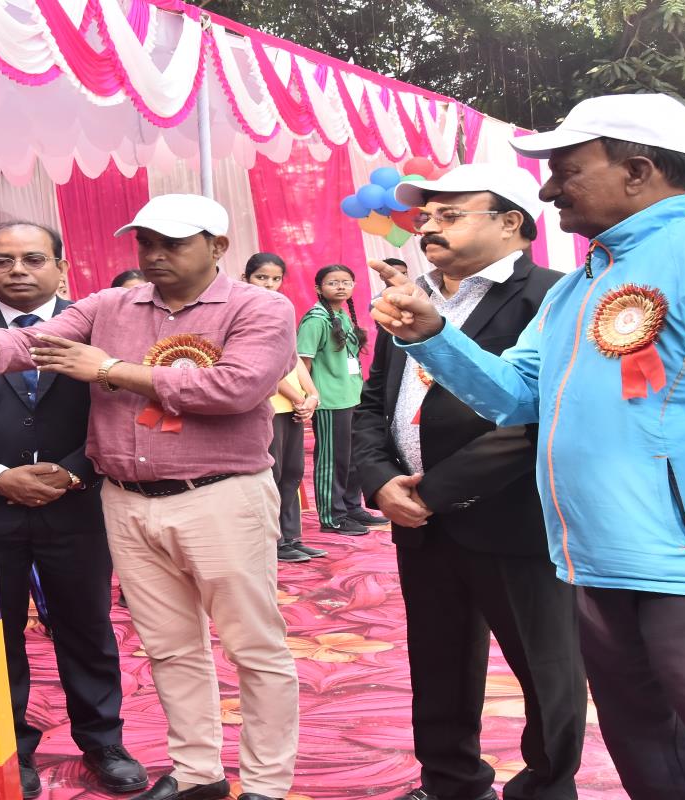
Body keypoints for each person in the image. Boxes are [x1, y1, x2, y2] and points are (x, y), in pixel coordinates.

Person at [371, 93, 685, 800]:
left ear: (638, 170)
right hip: (599, 573)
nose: (548, 190)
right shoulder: (580, 287)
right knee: (657, 769)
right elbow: (515, 395)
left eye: (567, 170)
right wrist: (433, 337)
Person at [0, 194, 300, 800]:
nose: (156, 254)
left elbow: (236, 388)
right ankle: (197, 775)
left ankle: (266, 784)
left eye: (174, 243)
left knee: (253, 647)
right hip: (126, 500)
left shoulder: (260, 306)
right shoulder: (110, 305)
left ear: (217, 246)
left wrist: (110, 369)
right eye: (146, 242)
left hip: (221, 496)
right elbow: (23, 347)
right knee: (169, 648)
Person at [352, 164, 586, 800]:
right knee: (438, 660)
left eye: (450, 214)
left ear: (511, 222)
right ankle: (451, 781)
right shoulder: (410, 296)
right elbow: (375, 402)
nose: (429, 226)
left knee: (546, 668)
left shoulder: (552, 297)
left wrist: (432, 492)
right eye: (426, 215)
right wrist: (381, 480)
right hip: (417, 521)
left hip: (513, 519)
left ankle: (545, 788)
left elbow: (539, 418)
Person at [0, 221, 147, 798]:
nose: (18, 269)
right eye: (3, 260)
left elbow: (123, 411)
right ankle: (10, 746)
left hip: (79, 503)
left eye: (33, 258)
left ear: (62, 267)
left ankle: (103, 741)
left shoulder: (102, 328)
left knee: (87, 625)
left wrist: (74, 470)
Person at [243, 253, 324, 562]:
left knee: (293, 472)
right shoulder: (244, 312)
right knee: (273, 474)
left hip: (294, 405)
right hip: (269, 405)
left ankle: (291, 537)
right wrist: (297, 397)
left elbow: (293, 359)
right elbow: (263, 366)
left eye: (275, 279)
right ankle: (272, 541)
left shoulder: (281, 309)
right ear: (246, 278)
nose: (269, 284)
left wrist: (312, 394)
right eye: (261, 277)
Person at [298, 265, 388, 533]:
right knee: (332, 460)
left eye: (346, 282)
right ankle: (332, 516)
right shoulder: (315, 319)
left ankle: (352, 507)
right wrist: (308, 396)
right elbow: (302, 362)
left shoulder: (341, 314)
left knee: (352, 459)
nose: (340, 287)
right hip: (329, 400)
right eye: (333, 282)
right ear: (318, 288)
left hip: (352, 397)